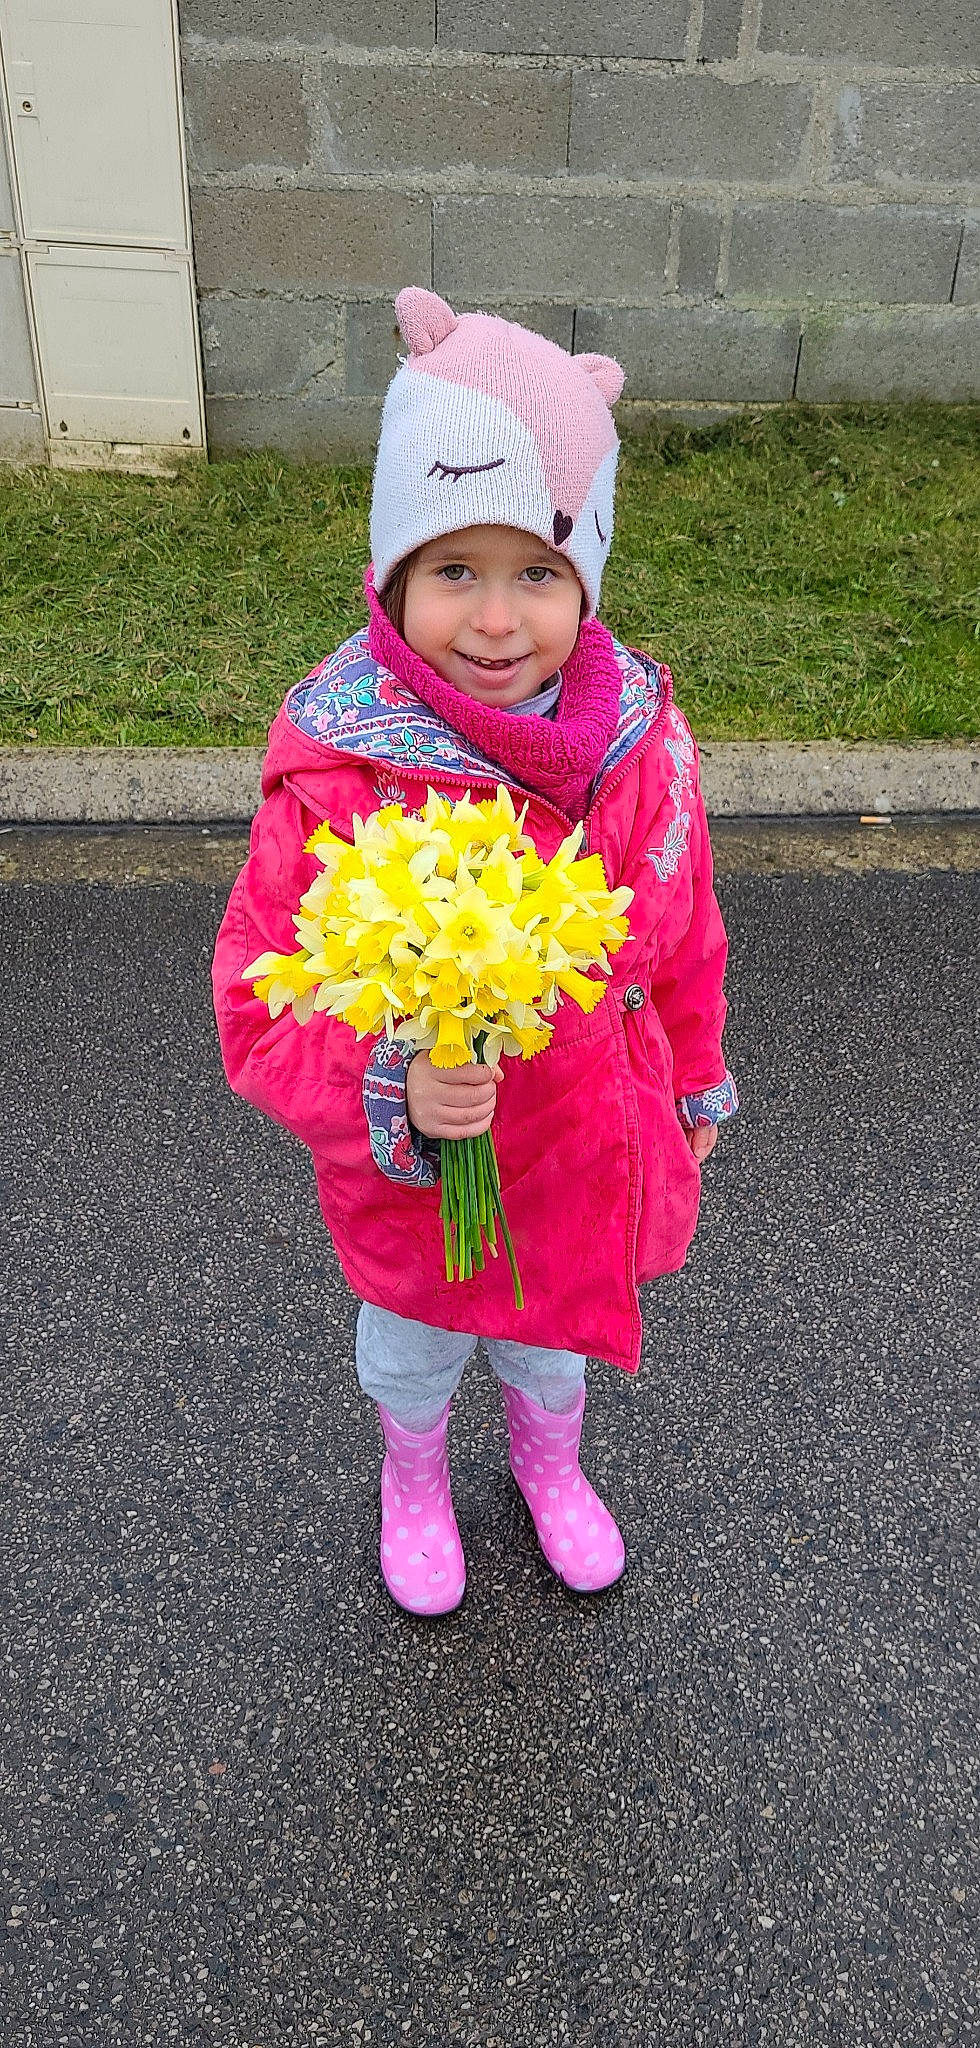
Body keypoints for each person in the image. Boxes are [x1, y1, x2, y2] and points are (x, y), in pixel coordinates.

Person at [212, 288, 738, 1619]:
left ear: (586, 578)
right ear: (394, 574)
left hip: (572, 1151)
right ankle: (414, 1478)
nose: (499, 621)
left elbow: (678, 929)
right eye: (456, 571)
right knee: (418, 1342)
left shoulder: (638, 749)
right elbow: (260, 1014)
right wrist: (396, 1085)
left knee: (547, 1345)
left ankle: (549, 1467)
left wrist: (693, 1075)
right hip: (418, 1180)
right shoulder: (343, 775)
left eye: (540, 574)